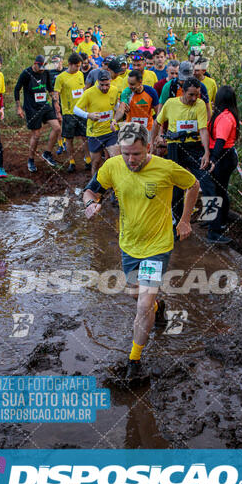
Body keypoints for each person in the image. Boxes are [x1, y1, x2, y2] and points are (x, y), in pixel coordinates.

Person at [83, 123, 200, 381]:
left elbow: (193, 185)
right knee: (135, 295)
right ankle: (159, 308)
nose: (130, 160)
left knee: (142, 304)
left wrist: (184, 220)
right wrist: (91, 204)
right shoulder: (113, 166)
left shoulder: (166, 168)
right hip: (129, 246)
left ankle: (134, 360)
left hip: (157, 247)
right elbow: (90, 191)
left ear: (148, 147)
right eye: (126, 154)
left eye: (136, 154)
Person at [153, 77, 215, 228]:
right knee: (176, 187)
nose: (194, 98)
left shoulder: (200, 104)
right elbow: (157, 122)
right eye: (191, 95)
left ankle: (211, 224)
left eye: (197, 95)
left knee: (208, 182)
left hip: (194, 148)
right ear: (183, 92)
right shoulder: (171, 103)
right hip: (175, 148)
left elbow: (203, 129)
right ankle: (178, 222)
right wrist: (152, 144)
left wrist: (207, 153)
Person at [14, 54, 62, 172]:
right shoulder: (26, 73)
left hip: (44, 105)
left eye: (44, 68)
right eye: (40, 67)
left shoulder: (45, 72)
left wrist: (55, 103)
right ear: (35, 64)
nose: (42, 70)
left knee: (57, 128)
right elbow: (17, 89)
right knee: (36, 135)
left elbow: (50, 89)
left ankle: (47, 153)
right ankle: (31, 159)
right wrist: (18, 107)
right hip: (32, 108)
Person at [206, 85, 239, 244]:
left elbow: (221, 140)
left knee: (217, 191)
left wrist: (213, 159)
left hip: (222, 157)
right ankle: (212, 221)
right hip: (219, 155)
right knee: (215, 190)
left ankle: (217, 227)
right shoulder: (219, 114)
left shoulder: (226, 117)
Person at [74, 69, 120, 175]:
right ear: (97, 82)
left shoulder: (114, 90)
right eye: (102, 85)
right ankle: (94, 186)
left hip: (110, 131)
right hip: (95, 133)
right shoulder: (89, 93)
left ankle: (115, 186)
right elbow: (75, 109)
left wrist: (120, 107)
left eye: (107, 85)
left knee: (115, 159)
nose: (104, 88)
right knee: (96, 162)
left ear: (111, 81)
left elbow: (115, 105)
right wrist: (88, 115)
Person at [53, 52, 92, 173]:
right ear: (70, 64)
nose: (78, 68)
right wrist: (58, 112)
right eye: (76, 66)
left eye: (80, 66)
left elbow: (83, 90)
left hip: (81, 112)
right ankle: (72, 162)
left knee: (84, 136)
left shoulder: (80, 74)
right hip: (68, 113)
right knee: (69, 138)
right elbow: (56, 95)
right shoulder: (61, 78)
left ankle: (88, 160)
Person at [114, 70, 159, 140]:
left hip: (147, 129)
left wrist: (158, 132)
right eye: (128, 83)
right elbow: (121, 109)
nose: (130, 86)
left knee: (146, 150)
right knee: (131, 150)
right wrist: (115, 120)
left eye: (132, 84)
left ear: (140, 82)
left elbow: (158, 112)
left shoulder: (151, 92)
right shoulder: (126, 92)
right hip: (131, 129)